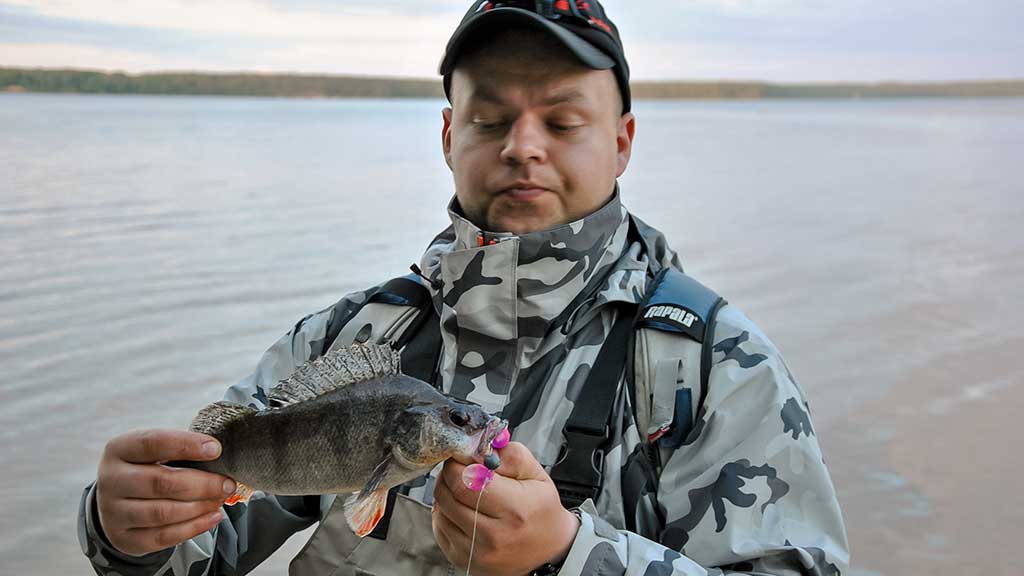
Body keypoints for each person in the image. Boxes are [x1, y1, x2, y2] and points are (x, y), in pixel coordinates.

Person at [78, 1, 849, 574]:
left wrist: (570, 554)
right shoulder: (351, 337)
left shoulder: (716, 365)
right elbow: (197, 549)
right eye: (490, 118)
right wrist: (125, 531)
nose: (522, 147)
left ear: (622, 143)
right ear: (450, 137)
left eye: (562, 120)